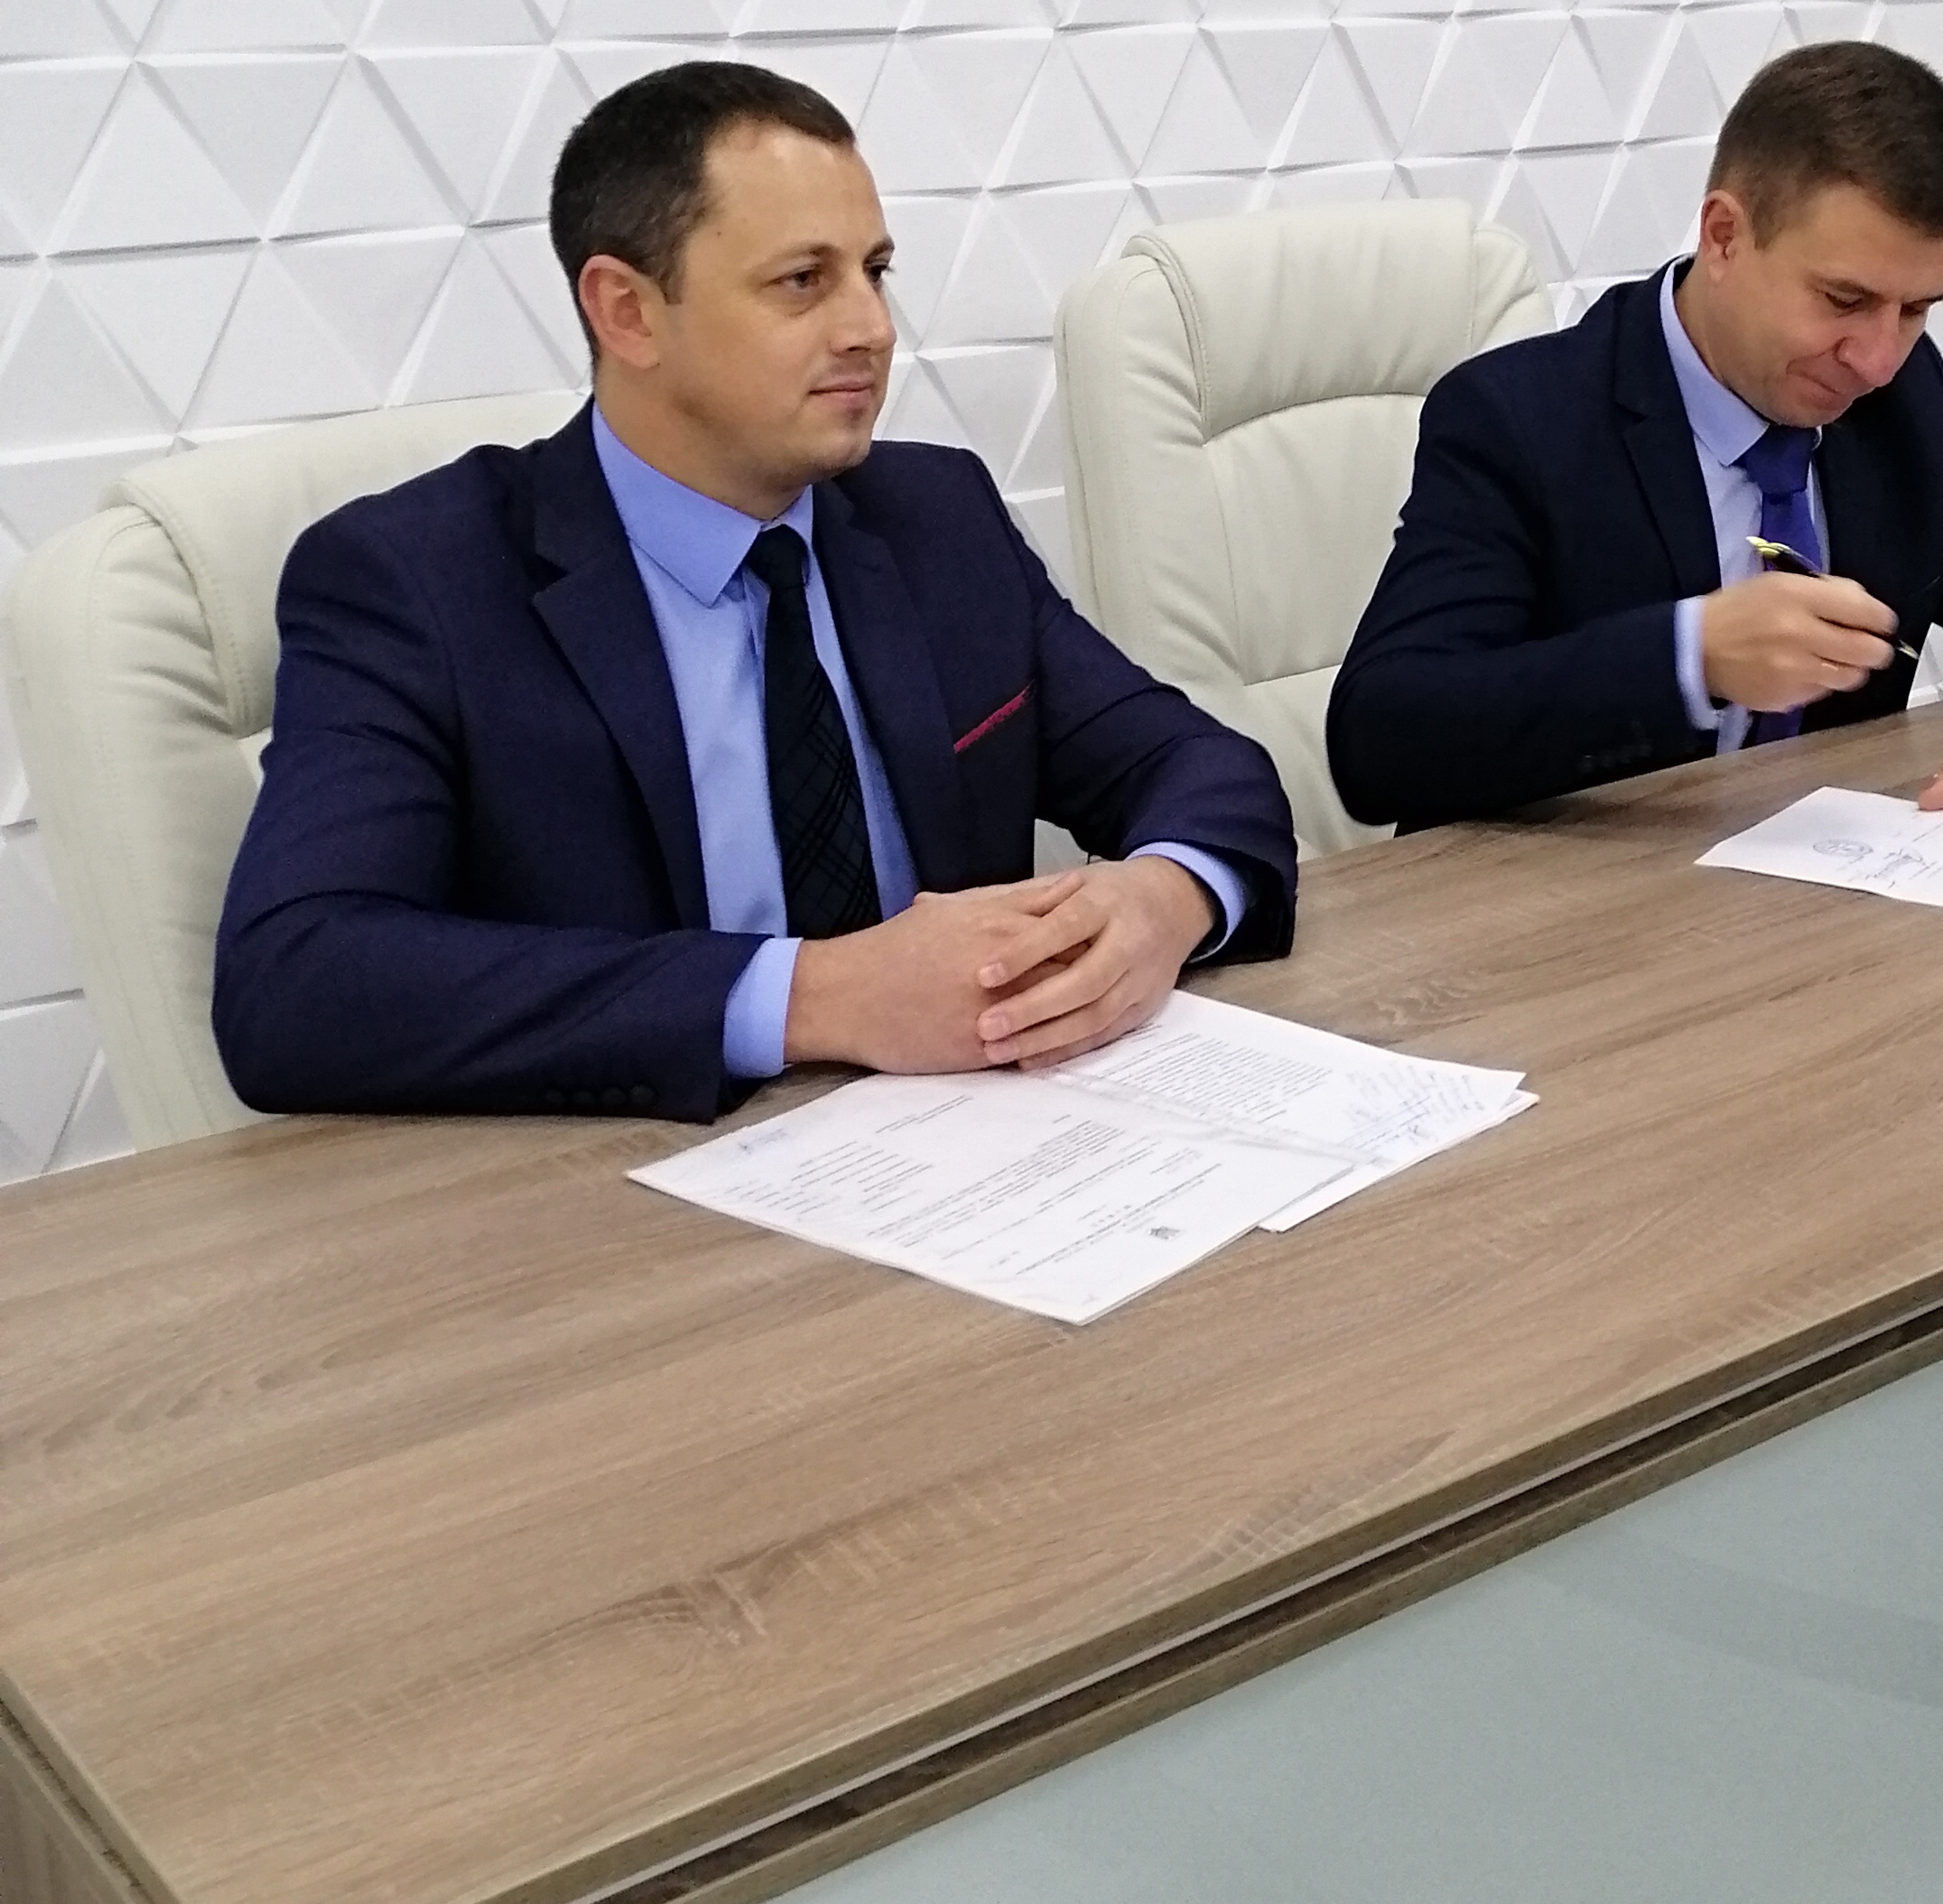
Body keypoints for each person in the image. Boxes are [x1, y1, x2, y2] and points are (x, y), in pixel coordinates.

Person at [214, 62, 1297, 1122]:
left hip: (976, 1146)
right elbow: (295, 979)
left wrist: (1163, 900)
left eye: (876, 271)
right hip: (623, 1190)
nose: (871, 327)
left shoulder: (936, 517)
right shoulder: (415, 582)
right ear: (628, 312)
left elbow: (1202, 767)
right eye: (802, 281)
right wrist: (815, 997)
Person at [1326, 40, 1943, 835]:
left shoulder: (1895, 409)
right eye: (1843, 301)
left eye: (1916, 310)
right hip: (1571, 909)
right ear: (1724, 236)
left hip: (1816, 899)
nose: (1877, 360)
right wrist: (1690, 658)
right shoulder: (1519, 419)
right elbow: (1380, 737)